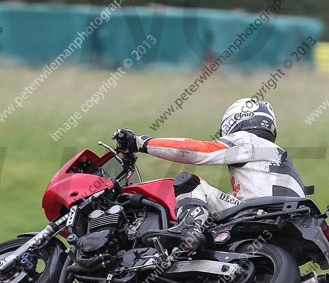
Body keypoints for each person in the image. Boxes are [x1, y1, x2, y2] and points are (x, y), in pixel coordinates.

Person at [113, 98, 310, 253]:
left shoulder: (246, 140)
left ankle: (188, 229)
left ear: (235, 120)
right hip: (294, 223)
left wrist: (140, 142)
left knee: (190, 183)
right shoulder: (281, 156)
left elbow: (197, 151)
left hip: (258, 214)